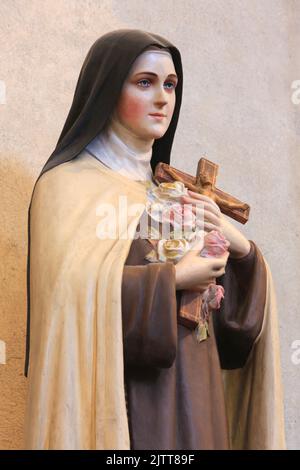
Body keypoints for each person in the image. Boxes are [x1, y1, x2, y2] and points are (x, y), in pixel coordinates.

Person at [24, 29, 286, 450]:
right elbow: (66, 299)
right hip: (130, 404)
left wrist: (242, 255)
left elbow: (234, 334)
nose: (162, 98)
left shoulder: (176, 193)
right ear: (108, 89)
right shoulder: (67, 186)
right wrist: (175, 278)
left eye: (170, 85)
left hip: (198, 394)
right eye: (144, 83)